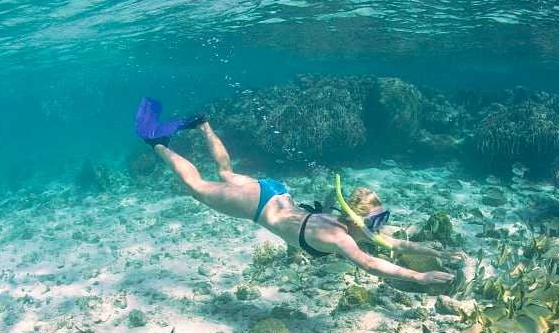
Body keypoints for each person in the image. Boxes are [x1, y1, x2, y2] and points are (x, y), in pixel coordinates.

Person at [135, 98, 458, 287]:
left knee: (225, 173)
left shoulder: (353, 227)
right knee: (199, 188)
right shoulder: (342, 238)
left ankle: (204, 126)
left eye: (379, 222)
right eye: (375, 222)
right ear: (356, 220)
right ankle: (157, 143)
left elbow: (397, 243)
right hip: (260, 204)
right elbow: (371, 265)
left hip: (275, 191)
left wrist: (439, 255)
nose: (379, 229)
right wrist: (419, 278)